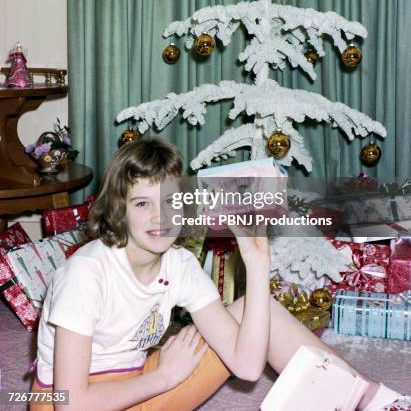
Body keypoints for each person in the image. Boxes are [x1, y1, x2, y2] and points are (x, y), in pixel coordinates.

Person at [31, 138, 406, 411]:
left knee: (261, 311)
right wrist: (163, 377)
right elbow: (71, 402)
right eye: (142, 203)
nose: (159, 218)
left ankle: (376, 400)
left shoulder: (178, 264)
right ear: (118, 209)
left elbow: (246, 365)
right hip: (70, 402)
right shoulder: (86, 273)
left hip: (134, 383)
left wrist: (257, 265)